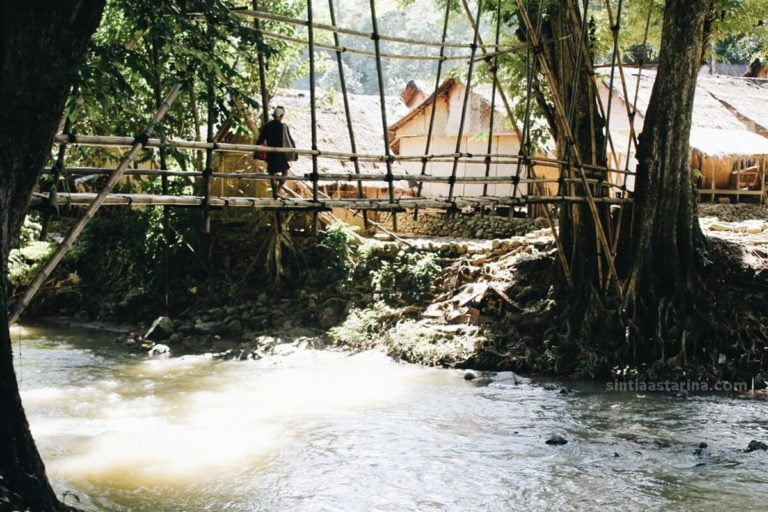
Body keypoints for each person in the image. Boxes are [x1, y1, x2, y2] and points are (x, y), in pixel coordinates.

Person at [256, 106, 296, 198]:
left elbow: (260, 139)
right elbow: (288, 140)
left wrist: (258, 148)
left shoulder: (267, 125)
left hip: (270, 153)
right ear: (281, 116)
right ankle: (278, 189)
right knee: (285, 172)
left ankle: (275, 191)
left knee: (272, 173)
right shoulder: (283, 127)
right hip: (280, 153)